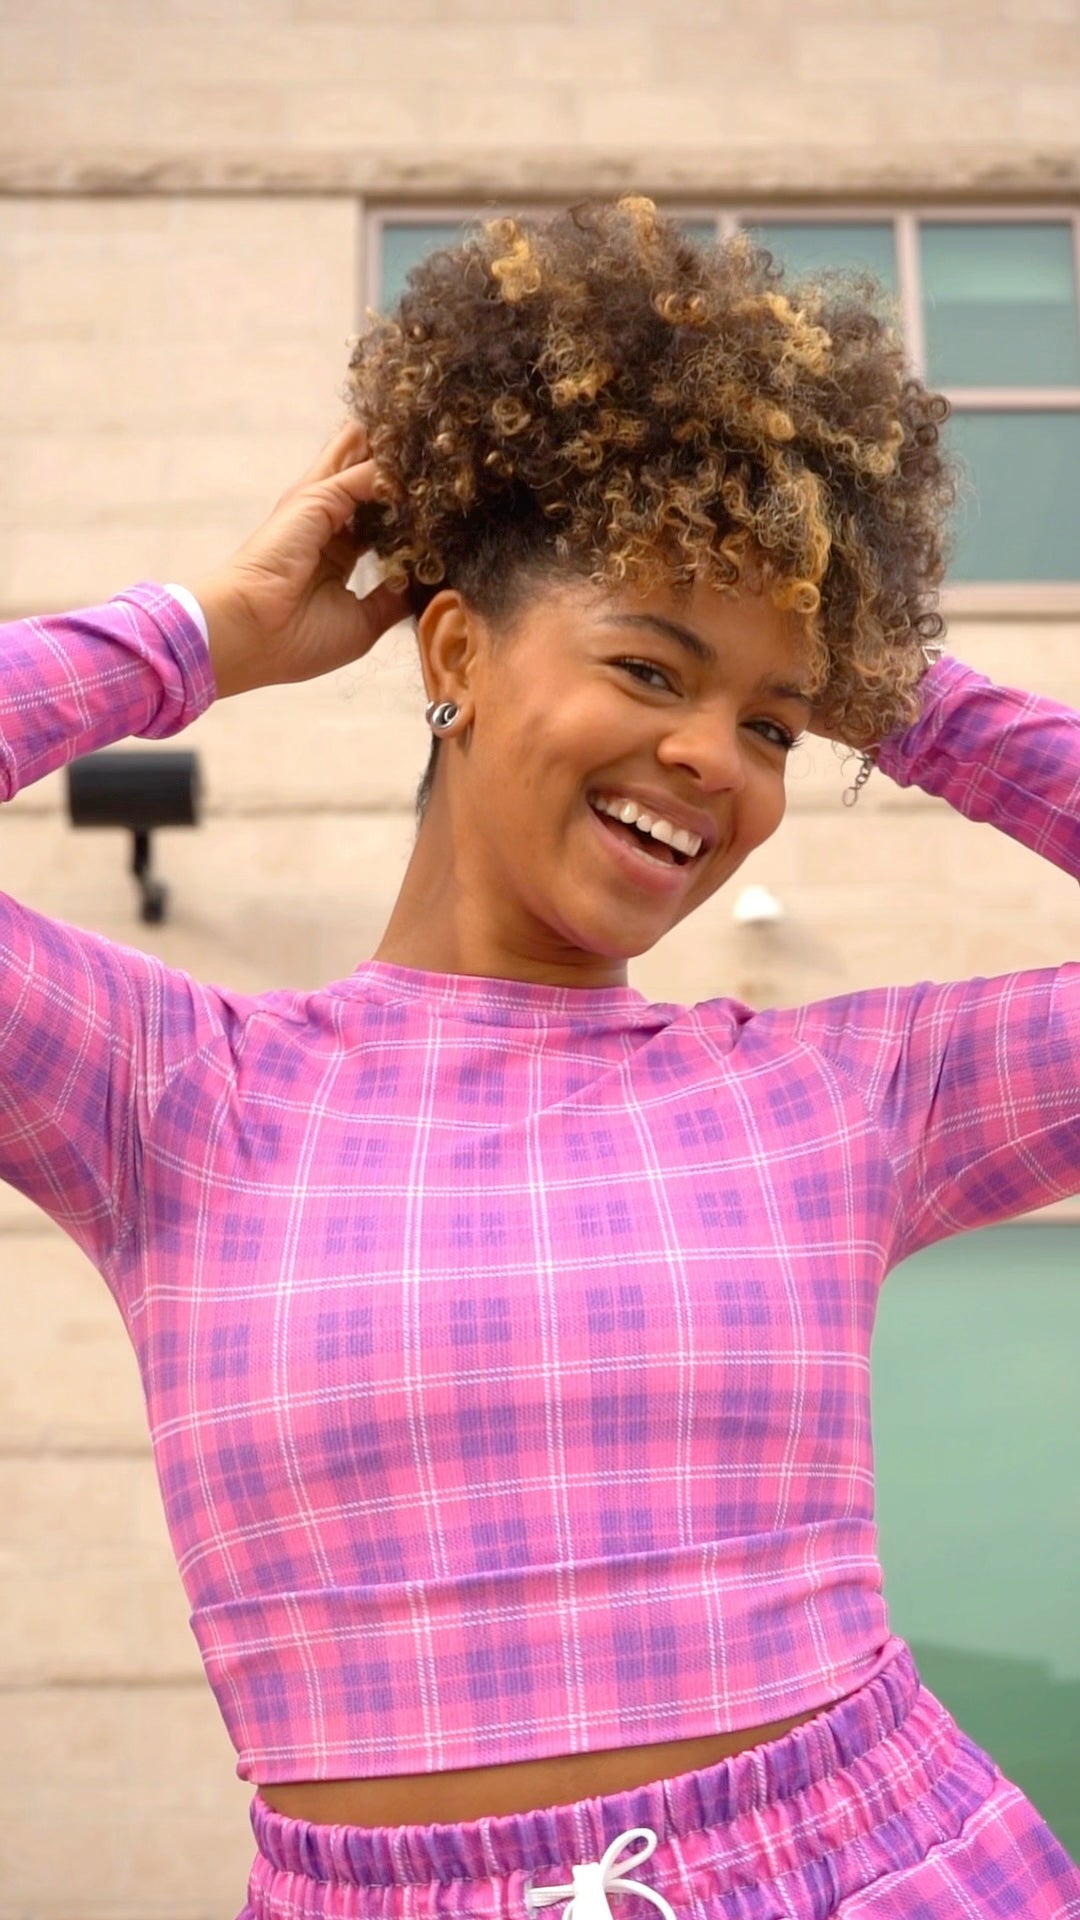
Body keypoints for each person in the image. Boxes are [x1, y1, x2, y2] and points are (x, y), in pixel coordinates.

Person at [1, 197, 1077, 1919]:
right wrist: (193, 637)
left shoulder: (842, 1096)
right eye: (651, 664)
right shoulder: (173, 1096)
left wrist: (907, 697)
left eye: (771, 725)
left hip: (884, 1870)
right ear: (453, 655)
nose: (711, 758)